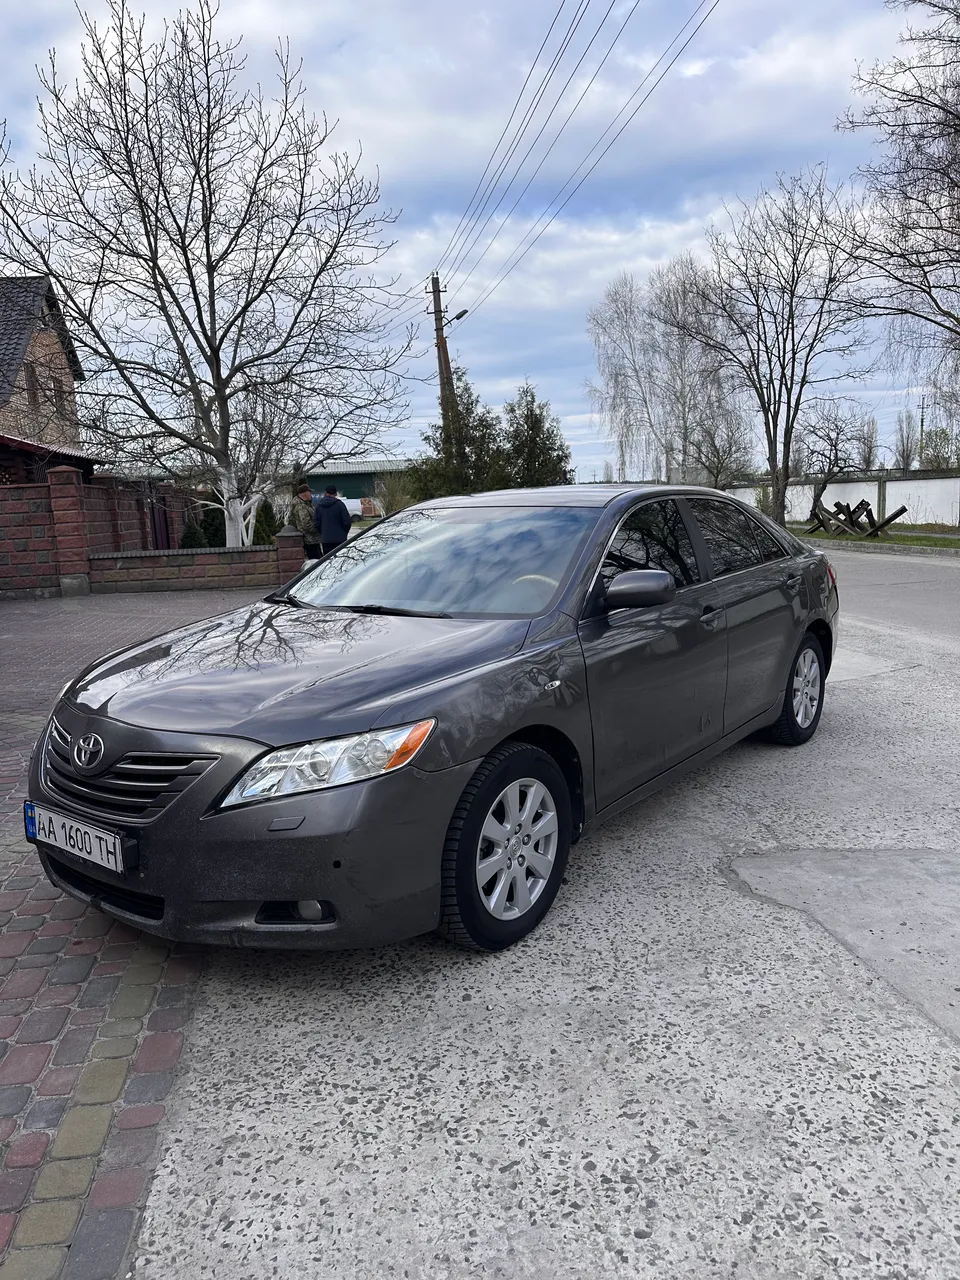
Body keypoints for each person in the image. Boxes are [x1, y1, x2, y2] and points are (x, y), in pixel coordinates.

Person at [315, 484, 352, 555]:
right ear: (335, 493)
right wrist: (344, 533)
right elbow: (347, 522)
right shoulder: (340, 505)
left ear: (325, 493)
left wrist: (323, 533)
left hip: (326, 539)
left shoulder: (319, 506)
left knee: (328, 562)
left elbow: (316, 523)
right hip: (340, 539)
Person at [292, 483, 323, 560]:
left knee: (320, 559)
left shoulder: (307, 505)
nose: (311, 494)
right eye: (309, 492)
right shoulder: (301, 507)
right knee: (316, 562)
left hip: (314, 540)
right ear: (305, 493)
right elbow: (306, 525)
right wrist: (319, 528)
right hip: (310, 540)